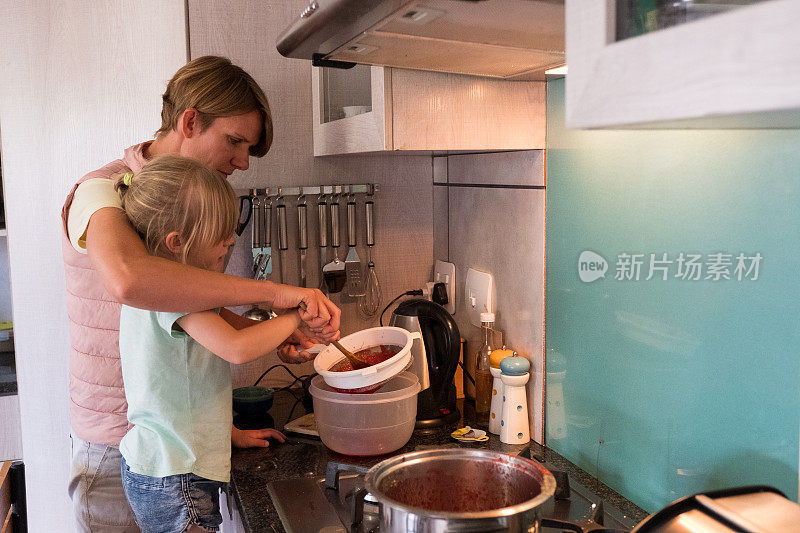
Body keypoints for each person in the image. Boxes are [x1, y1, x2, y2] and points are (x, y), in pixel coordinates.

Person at [61, 56, 340, 532]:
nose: (242, 161)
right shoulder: (103, 191)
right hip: (120, 454)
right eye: (234, 141)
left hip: (177, 446)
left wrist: (263, 338)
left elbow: (192, 317)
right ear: (190, 121)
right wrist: (280, 299)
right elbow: (131, 280)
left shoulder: (190, 209)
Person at [116, 155, 301, 532]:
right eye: (220, 234)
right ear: (176, 242)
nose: (230, 241)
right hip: (175, 480)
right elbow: (235, 347)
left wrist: (227, 433)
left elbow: (186, 381)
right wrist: (295, 315)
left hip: (169, 466)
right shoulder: (172, 295)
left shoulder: (172, 288)